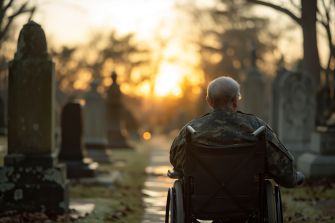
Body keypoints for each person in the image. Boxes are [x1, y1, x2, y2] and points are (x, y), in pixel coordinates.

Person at [170, 76, 304, 188]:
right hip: (248, 200)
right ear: (235, 101)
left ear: (209, 102)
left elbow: (176, 160)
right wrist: (295, 178)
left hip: (201, 201)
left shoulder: (192, 129)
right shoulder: (256, 127)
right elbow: (282, 166)